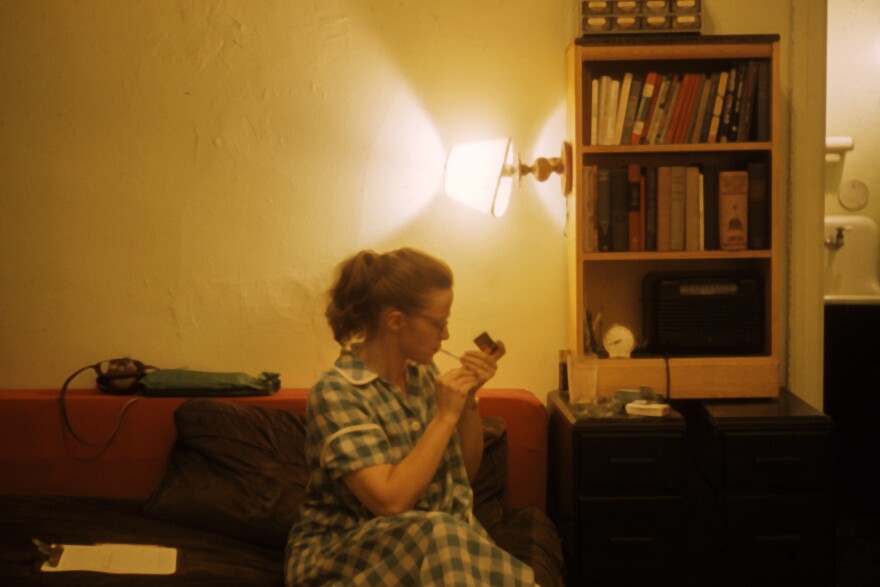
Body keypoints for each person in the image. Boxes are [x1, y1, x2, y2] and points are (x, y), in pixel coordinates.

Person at [285, 247, 536, 586]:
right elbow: (390, 502)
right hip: (344, 560)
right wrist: (444, 418)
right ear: (396, 322)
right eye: (438, 323)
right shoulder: (337, 392)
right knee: (439, 529)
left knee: (446, 533)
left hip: (436, 551)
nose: (445, 335)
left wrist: (467, 402)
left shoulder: (422, 375)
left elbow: (466, 471)